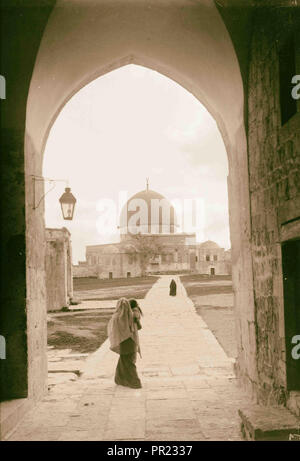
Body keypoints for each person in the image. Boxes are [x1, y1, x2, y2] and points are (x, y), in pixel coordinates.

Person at [107, 297, 142, 389]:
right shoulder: (132, 316)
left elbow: (112, 331)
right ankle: (120, 379)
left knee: (126, 361)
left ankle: (135, 382)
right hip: (132, 341)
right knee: (126, 361)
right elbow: (138, 326)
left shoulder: (116, 317)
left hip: (123, 342)